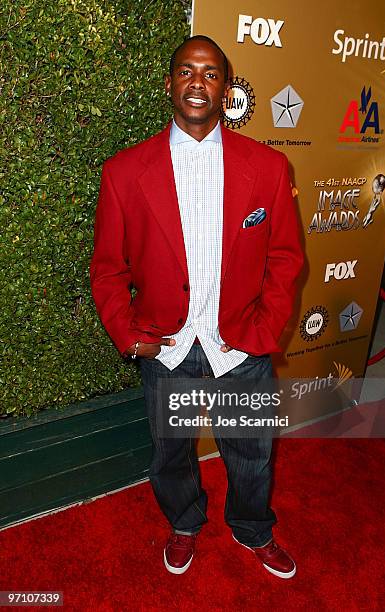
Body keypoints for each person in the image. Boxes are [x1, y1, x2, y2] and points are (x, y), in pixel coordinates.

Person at [90, 35, 304, 578]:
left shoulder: (269, 168)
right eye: (187, 71)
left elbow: (285, 259)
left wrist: (263, 327)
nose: (197, 82)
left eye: (210, 74)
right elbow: (108, 269)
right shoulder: (123, 173)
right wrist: (128, 333)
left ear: (226, 90)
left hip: (240, 346)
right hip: (167, 348)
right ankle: (184, 523)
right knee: (171, 455)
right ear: (170, 83)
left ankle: (253, 529)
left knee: (252, 453)